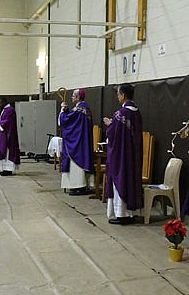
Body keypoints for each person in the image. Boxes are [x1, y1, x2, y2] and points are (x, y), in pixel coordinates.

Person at [103, 83, 142, 225]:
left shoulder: (121, 114)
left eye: (118, 94)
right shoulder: (136, 112)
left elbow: (113, 134)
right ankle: (131, 213)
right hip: (133, 154)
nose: (118, 97)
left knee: (120, 179)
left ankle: (121, 214)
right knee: (130, 180)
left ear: (123, 95)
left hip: (121, 156)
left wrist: (110, 125)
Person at [59, 88, 94, 195]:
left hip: (77, 142)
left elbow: (67, 121)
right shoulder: (84, 108)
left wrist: (62, 112)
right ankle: (77, 186)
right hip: (82, 140)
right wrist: (67, 111)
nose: (72, 97)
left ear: (78, 97)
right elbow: (72, 118)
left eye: (73, 96)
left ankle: (79, 186)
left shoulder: (80, 109)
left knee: (76, 163)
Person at [0, 97, 20, 176]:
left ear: (4, 102)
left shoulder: (10, 110)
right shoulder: (4, 110)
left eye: (0, 103)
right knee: (3, 151)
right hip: (3, 134)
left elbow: (7, 122)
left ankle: (8, 170)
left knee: (8, 152)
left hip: (8, 135)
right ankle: (5, 168)